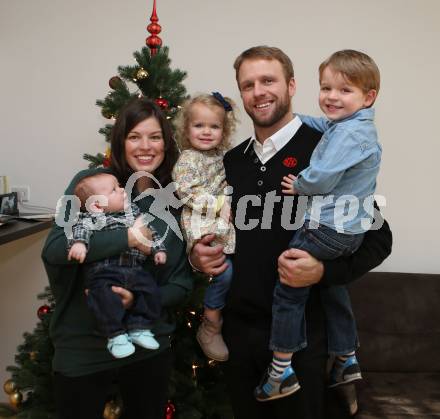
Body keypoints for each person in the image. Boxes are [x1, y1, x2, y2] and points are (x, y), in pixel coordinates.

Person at [190, 46, 392, 419]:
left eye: (268, 80)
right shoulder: (229, 162)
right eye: (248, 85)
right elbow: (206, 226)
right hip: (238, 334)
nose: (259, 91)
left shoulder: (330, 147)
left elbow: (379, 238)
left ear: (292, 85)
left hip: (303, 341)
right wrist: (197, 255)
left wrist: (323, 271)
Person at [42, 97, 193, 419]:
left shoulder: (173, 202)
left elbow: (181, 283)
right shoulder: (91, 183)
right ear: (120, 142)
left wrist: (137, 297)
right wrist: (127, 238)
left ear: (166, 144)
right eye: (134, 136)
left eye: (155, 137)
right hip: (84, 351)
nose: (146, 146)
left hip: (148, 349)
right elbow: (55, 248)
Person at [255, 49, 382, 401]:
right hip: (348, 232)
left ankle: (280, 370)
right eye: (326, 88)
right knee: (332, 288)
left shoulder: (349, 135)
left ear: (367, 97)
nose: (331, 97)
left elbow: (323, 178)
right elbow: (325, 125)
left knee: (289, 286)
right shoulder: (347, 126)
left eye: (344, 91)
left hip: (327, 227)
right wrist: (296, 119)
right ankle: (347, 356)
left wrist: (300, 184)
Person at [68, 172, 167, 359]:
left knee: (150, 290)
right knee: (103, 296)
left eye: (120, 185)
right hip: (104, 272)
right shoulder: (91, 219)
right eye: (114, 190)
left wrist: (158, 250)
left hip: (134, 270)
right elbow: (79, 229)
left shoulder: (135, 213)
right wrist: (79, 244)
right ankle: (115, 335)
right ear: (97, 205)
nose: (122, 190)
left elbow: (151, 232)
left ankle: (140, 327)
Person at [172, 93, 237, 362]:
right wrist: (220, 202)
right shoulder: (188, 159)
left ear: (224, 131)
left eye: (214, 126)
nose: (207, 132)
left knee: (238, 265)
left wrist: (230, 200)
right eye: (199, 126)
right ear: (187, 129)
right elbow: (185, 191)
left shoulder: (224, 156)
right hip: (201, 222)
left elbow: (230, 184)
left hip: (223, 221)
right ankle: (211, 323)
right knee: (224, 270)